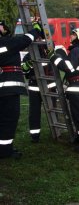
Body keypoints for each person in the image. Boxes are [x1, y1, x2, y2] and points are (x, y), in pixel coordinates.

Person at [0, 20, 43, 159]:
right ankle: (5, 151)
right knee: (9, 119)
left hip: (4, 87)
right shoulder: (6, 42)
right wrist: (36, 30)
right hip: (8, 88)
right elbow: (25, 40)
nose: (4, 27)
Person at [48, 28, 79, 152]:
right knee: (78, 116)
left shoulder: (76, 51)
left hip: (77, 88)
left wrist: (54, 57)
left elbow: (68, 67)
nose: (71, 36)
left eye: (74, 34)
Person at [21, 43, 62, 143]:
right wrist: (29, 65)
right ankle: (35, 135)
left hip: (49, 87)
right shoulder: (29, 56)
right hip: (36, 86)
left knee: (52, 110)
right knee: (35, 112)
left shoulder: (50, 54)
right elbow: (23, 70)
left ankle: (55, 132)